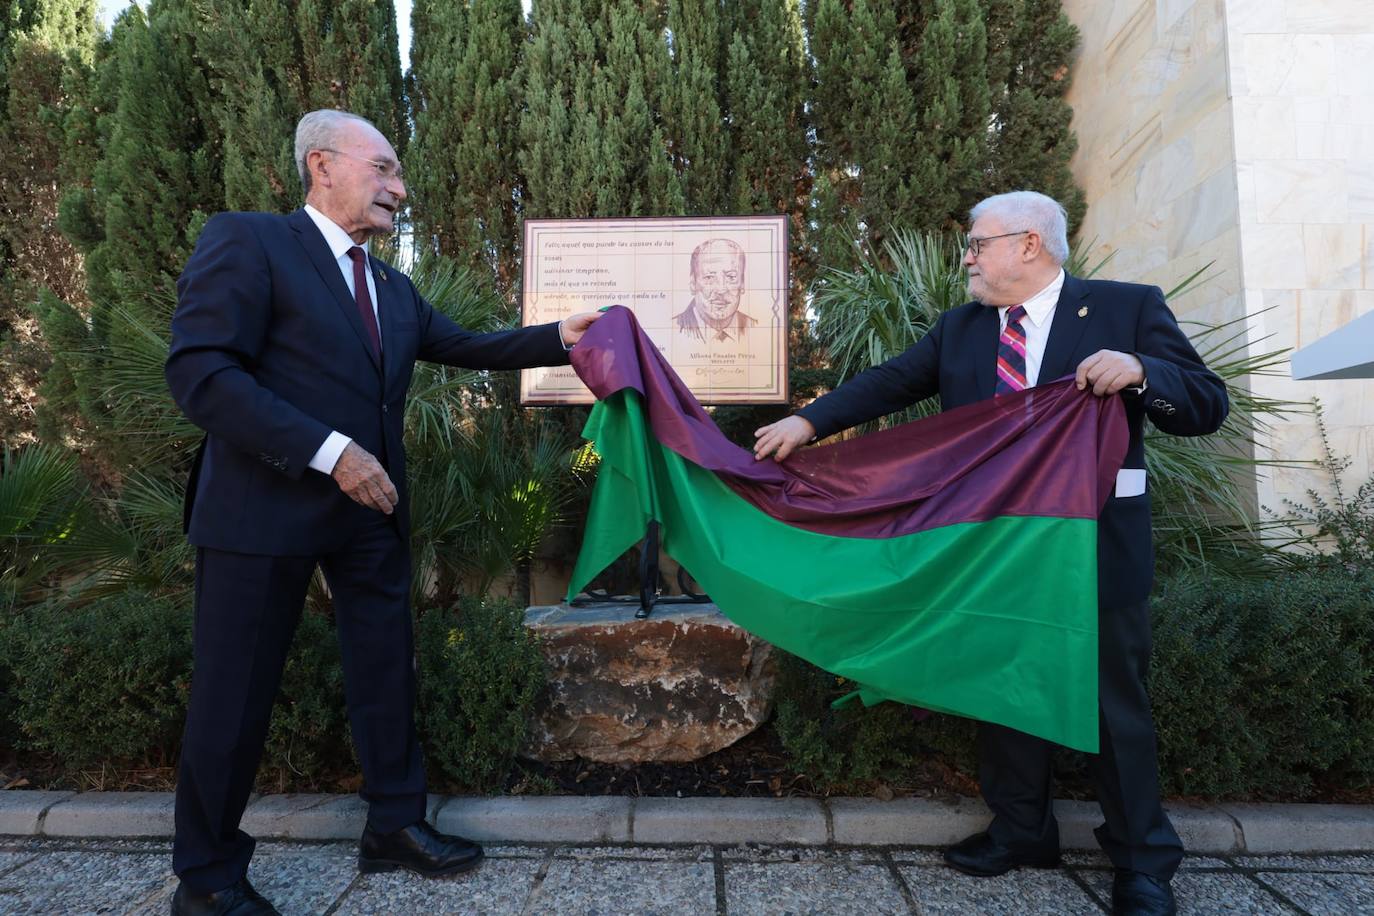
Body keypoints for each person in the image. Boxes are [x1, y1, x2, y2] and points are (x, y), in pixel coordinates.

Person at [164, 109, 600, 916]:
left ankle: (394, 827)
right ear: (322, 165)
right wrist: (331, 452)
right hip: (261, 514)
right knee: (233, 695)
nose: (401, 189)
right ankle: (209, 876)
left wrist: (559, 337)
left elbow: (466, 344)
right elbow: (202, 374)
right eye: (386, 169)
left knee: (384, 673)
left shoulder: (390, 286)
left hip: (369, 512)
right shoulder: (250, 241)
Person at [753, 191, 1227, 916]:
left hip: (1091, 547)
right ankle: (1020, 830)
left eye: (977, 244)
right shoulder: (963, 329)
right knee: (1003, 687)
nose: (968, 258)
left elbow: (1205, 402)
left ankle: (1142, 862)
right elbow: (889, 383)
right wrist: (808, 421)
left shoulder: (1126, 308)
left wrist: (1141, 370)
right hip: (991, 551)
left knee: (1113, 706)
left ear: (1029, 244)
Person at [674, 238, 757, 343]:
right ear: (693, 283)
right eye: (709, 277)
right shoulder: (673, 329)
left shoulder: (758, 329)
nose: (721, 289)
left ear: (743, 283)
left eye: (731, 277)